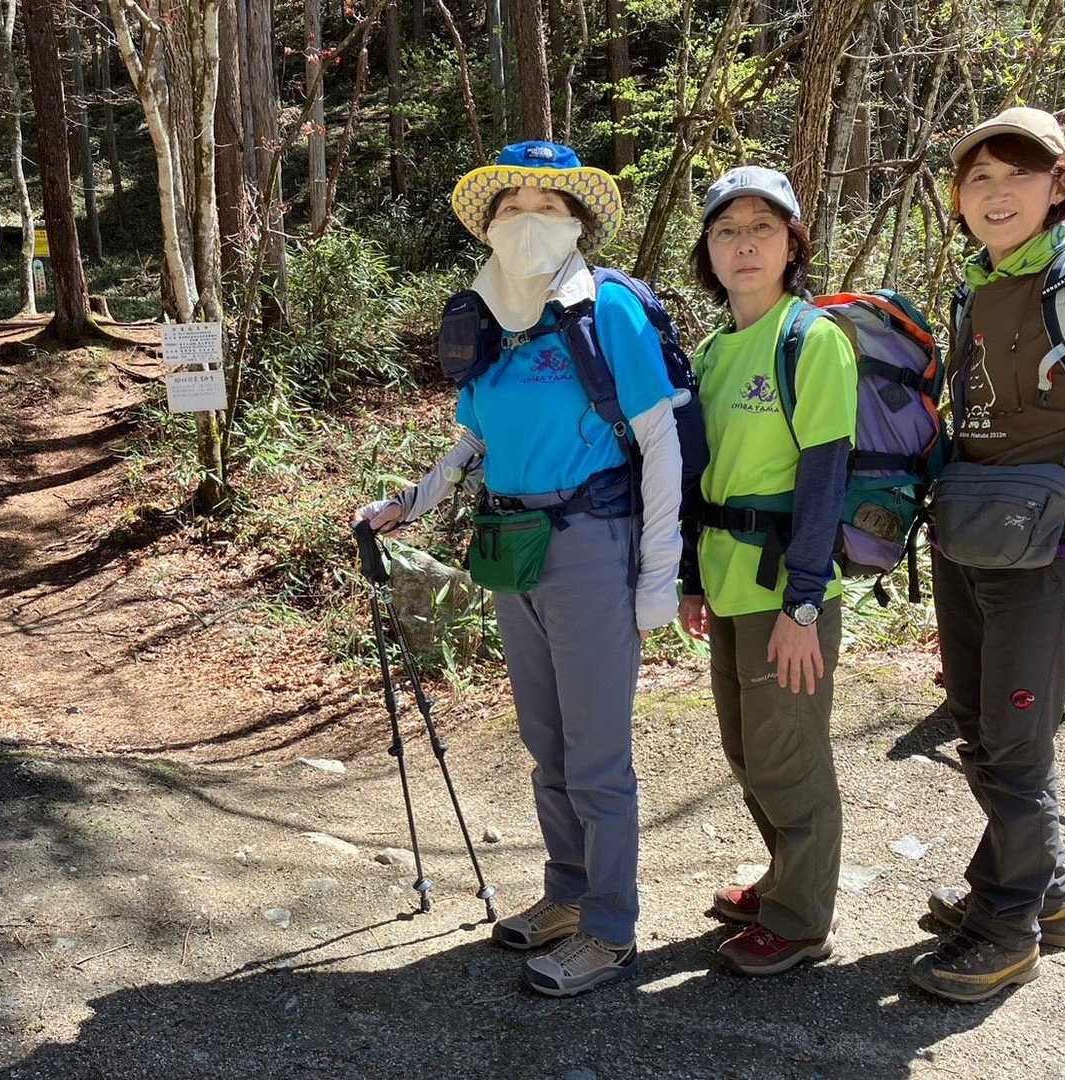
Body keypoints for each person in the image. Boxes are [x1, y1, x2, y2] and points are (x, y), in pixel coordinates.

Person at [354, 141, 690, 997]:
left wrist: (660, 571)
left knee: (597, 753)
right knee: (547, 744)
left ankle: (610, 931)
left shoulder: (606, 308)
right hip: (513, 544)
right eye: (512, 207)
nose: (528, 221)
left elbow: (658, 441)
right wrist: (410, 502)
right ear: (490, 226)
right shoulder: (489, 317)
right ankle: (567, 896)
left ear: (578, 223)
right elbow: (475, 438)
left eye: (549, 206)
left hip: (591, 543)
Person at [913, 106, 1065, 1003]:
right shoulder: (975, 286)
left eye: (1017, 173)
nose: (996, 193)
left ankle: (1007, 925)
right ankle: (1043, 895)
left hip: (1059, 544)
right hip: (971, 527)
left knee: (1015, 741)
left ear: (1059, 185)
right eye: (977, 177)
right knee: (979, 725)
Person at [677, 166, 857, 976]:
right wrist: (692, 579)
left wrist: (804, 606)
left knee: (789, 758)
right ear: (708, 252)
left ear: (793, 244)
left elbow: (824, 480)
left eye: (763, 228)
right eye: (727, 230)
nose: (744, 244)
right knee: (748, 752)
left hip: (788, 591)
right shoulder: (712, 352)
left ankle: (801, 920)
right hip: (728, 584)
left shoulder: (811, 339)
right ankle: (785, 880)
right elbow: (699, 477)